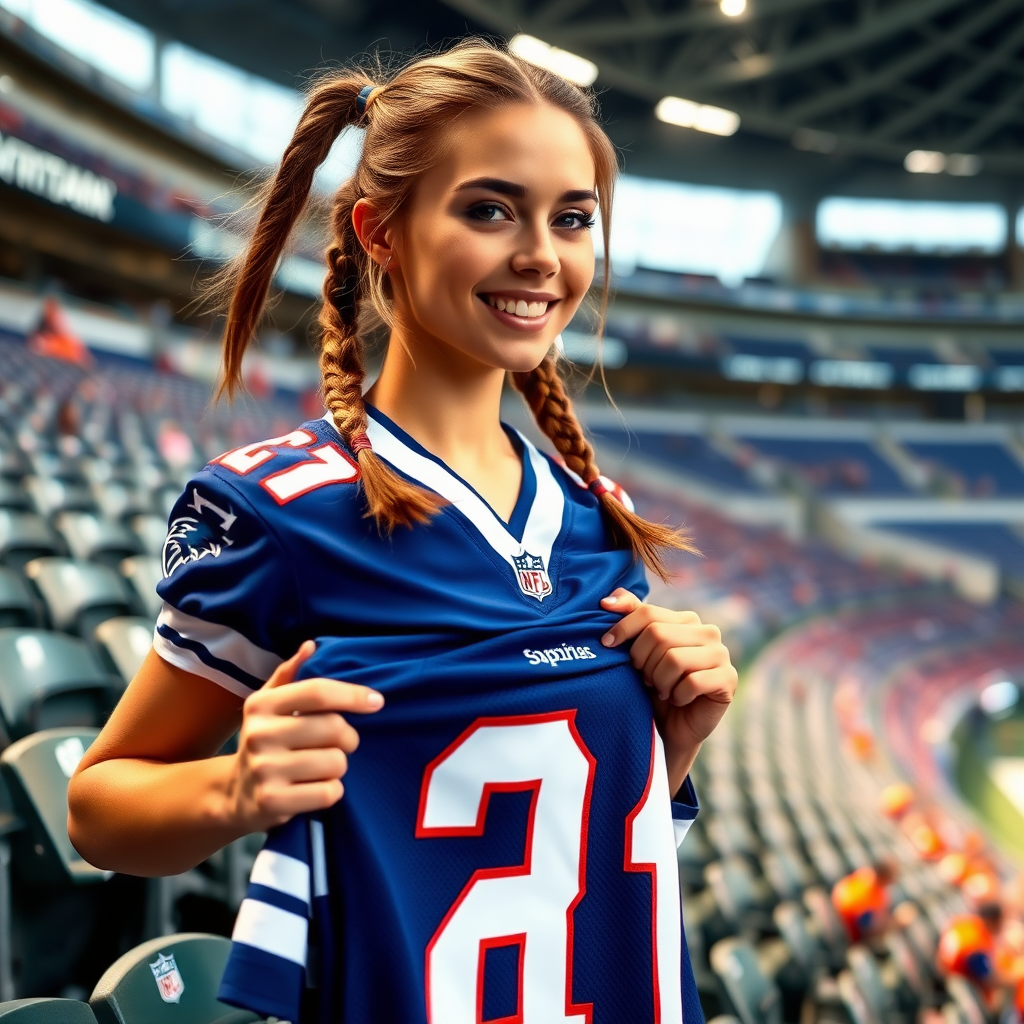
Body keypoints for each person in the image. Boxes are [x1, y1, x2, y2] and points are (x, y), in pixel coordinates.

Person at [67, 39, 738, 1024]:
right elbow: (98, 810)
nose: (540, 256)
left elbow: (549, 865)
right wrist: (235, 792)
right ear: (381, 233)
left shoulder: (593, 512)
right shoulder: (280, 511)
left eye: (572, 218)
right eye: (489, 208)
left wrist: (659, 754)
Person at [832, 859, 897, 944]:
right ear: (886, 877)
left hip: (840, 918)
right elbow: (869, 928)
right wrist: (895, 923)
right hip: (847, 933)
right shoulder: (870, 895)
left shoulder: (864, 874)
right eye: (893, 876)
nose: (895, 880)